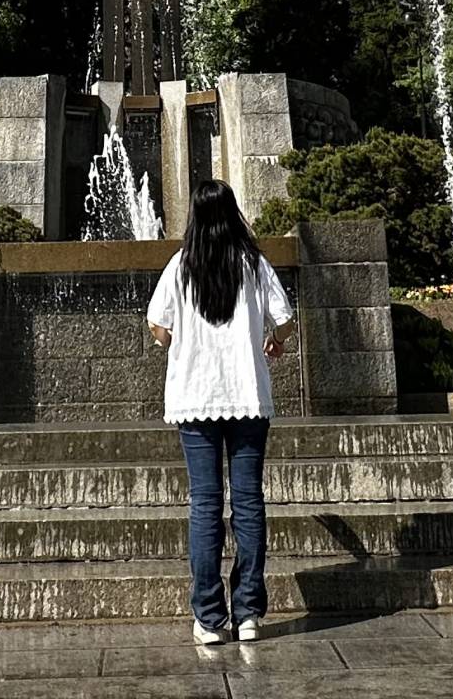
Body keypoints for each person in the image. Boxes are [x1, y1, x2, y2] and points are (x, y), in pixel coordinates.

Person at [144, 179, 295, 645]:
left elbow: (157, 324)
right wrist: (273, 341)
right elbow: (285, 319)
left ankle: (209, 618)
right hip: (247, 396)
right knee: (248, 503)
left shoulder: (181, 265)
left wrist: (177, 343)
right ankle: (248, 612)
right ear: (233, 214)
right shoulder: (252, 262)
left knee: (205, 506)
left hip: (195, 398)